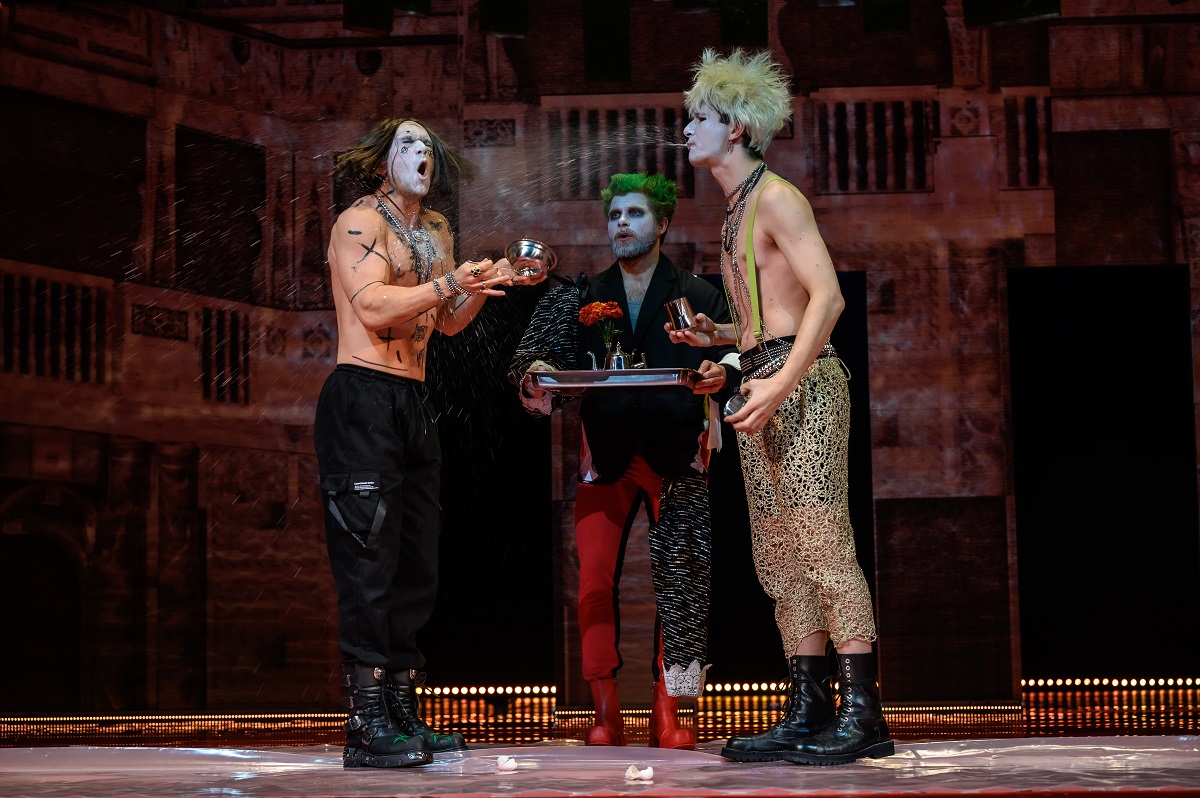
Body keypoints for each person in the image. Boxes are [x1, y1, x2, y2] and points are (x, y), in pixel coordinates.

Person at [671, 49, 895, 765]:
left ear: (735, 128)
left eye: (699, 119)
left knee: (822, 540)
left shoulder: (776, 198)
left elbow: (829, 300)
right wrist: (721, 339)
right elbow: (770, 321)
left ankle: (864, 711)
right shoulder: (735, 209)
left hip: (804, 384)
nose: (687, 131)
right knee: (778, 552)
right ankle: (809, 704)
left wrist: (779, 383)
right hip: (762, 382)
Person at [314, 117, 525, 769]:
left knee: (415, 561)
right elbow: (375, 307)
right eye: (408, 144)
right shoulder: (359, 222)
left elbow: (447, 322)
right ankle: (365, 720)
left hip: (413, 400)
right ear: (384, 162)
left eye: (427, 146)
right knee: (369, 557)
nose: (421, 153)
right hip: (363, 396)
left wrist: (480, 286)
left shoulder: (435, 230)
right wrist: (450, 283)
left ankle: (402, 707)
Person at [508, 172, 740, 749]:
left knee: (681, 579)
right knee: (593, 579)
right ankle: (605, 711)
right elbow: (538, 357)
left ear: (661, 224)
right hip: (605, 453)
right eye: (615, 215)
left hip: (677, 454)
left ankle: (668, 711)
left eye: (634, 214)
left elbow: (741, 353)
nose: (621, 224)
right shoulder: (584, 293)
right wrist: (535, 374)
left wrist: (723, 372)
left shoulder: (698, 293)